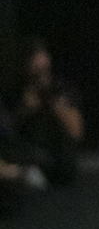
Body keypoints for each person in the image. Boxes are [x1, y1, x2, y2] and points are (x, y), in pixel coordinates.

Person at [5, 38, 84, 190]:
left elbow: (76, 133)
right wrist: (25, 110)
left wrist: (55, 105)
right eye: (33, 63)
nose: (39, 70)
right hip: (27, 155)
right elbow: (7, 132)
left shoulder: (62, 89)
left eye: (42, 66)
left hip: (59, 161)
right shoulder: (16, 92)